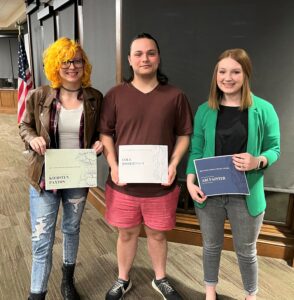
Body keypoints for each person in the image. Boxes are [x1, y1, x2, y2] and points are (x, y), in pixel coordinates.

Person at [99, 32, 193, 300]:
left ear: (158, 57)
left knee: (158, 236)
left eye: (151, 53)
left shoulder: (175, 96)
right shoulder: (115, 95)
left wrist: (174, 164)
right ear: (129, 59)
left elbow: (185, 134)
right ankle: (123, 279)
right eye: (138, 54)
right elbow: (105, 134)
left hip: (160, 186)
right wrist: (113, 165)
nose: (145, 58)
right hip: (123, 184)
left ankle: (160, 279)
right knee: (126, 235)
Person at [186, 48, 280, 300]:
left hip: (245, 195)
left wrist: (257, 160)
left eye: (235, 71)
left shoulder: (264, 109)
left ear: (246, 74)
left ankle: (251, 295)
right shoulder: (205, 110)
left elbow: (274, 149)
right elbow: (195, 149)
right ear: (215, 75)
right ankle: (209, 292)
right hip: (210, 193)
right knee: (211, 247)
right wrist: (189, 180)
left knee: (247, 251)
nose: (228, 77)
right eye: (222, 71)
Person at [19, 37, 103, 300]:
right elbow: (25, 126)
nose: (72, 66)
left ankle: (67, 281)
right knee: (42, 237)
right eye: (65, 61)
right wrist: (32, 139)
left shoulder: (94, 98)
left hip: (77, 175)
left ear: (84, 65)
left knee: (71, 228)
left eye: (77, 60)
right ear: (56, 64)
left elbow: (101, 130)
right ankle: (37, 293)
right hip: (45, 176)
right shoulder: (40, 95)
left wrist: (100, 141)